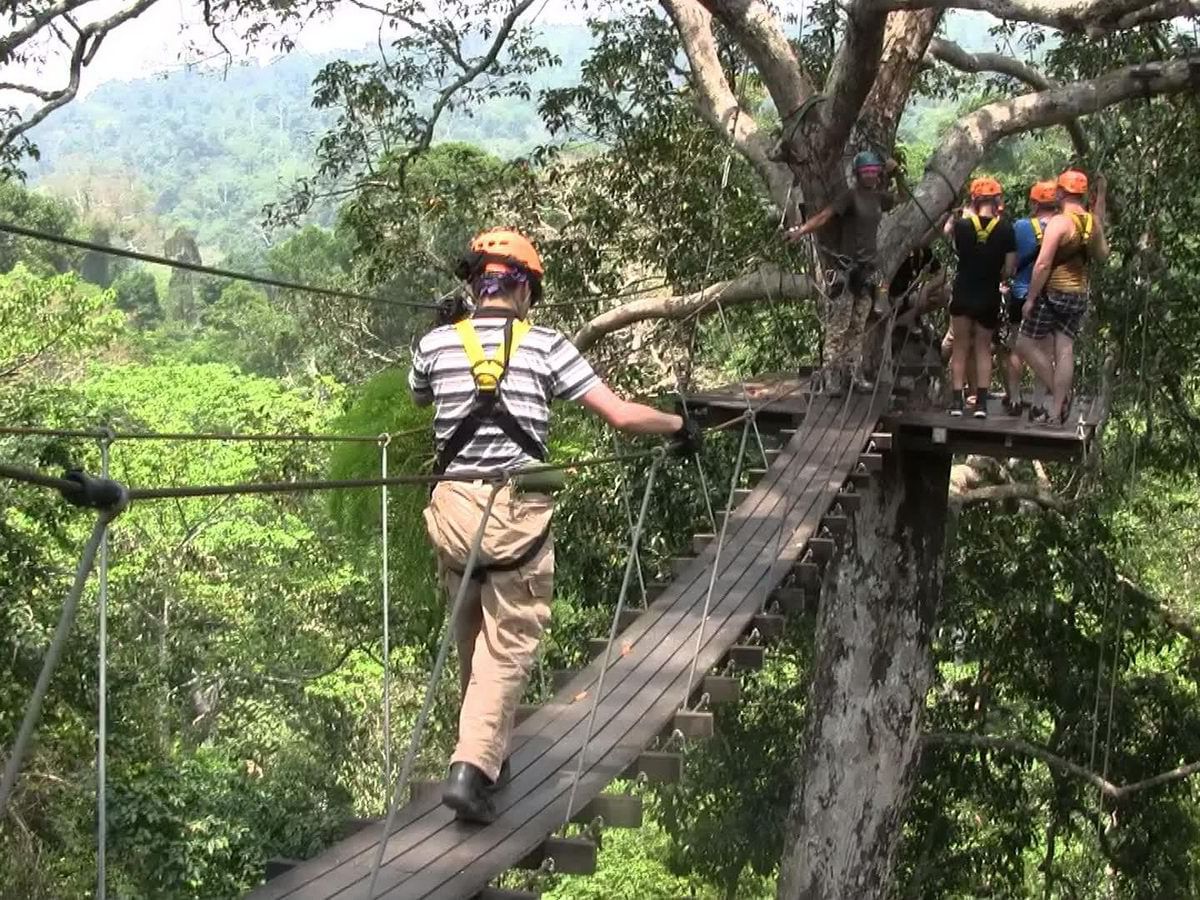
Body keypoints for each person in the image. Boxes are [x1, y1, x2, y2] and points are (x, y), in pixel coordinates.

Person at [409, 227, 700, 823]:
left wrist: (443, 326)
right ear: (523, 294)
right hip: (514, 516)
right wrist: (676, 426)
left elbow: (419, 395)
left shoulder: (435, 345)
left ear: (474, 285)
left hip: (453, 511)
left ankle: (488, 751)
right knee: (509, 642)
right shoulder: (546, 346)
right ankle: (470, 770)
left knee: (472, 636)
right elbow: (619, 415)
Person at [785, 149, 898, 397]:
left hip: (867, 272)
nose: (870, 175)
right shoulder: (850, 197)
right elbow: (825, 215)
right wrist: (801, 230)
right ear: (857, 174)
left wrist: (895, 171)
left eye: (874, 171)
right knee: (838, 327)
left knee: (858, 327)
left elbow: (899, 198)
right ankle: (830, 379)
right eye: (865, 171)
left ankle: (854, 375)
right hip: (846, 270)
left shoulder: (879, 198)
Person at [1017, 169, 1109, 425]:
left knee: (1024, 344)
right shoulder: (1092, 223)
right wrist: (1101, 197)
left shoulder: (1059, 223)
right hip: (1078, 294)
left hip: (1053, 295)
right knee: (1065, 350)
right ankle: (1056, 411)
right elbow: (1102, 255)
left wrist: (1031, 299)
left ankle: (1061, 394)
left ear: (1060, 192)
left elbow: (1043, 264)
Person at [944, 177, 1017, 419]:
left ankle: (956, 402)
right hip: (988, 295)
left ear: (974, 200)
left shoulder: (963, 227)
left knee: (961, 347)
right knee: (984, 348)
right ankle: (982, 404)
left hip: (963, 292)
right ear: (997, 201)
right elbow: (1009, 269)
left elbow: (949, 237)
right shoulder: (1006, 230)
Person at [1002, 180, 1059, 414]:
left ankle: (1015, 400)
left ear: (1035, 204)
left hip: (1021, 294)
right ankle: (1037, 404)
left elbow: (1012, 264)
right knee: (1044, 352)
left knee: (1018, 347)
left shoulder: (1021, 227)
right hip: (1050, 297)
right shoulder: (1062, 227)